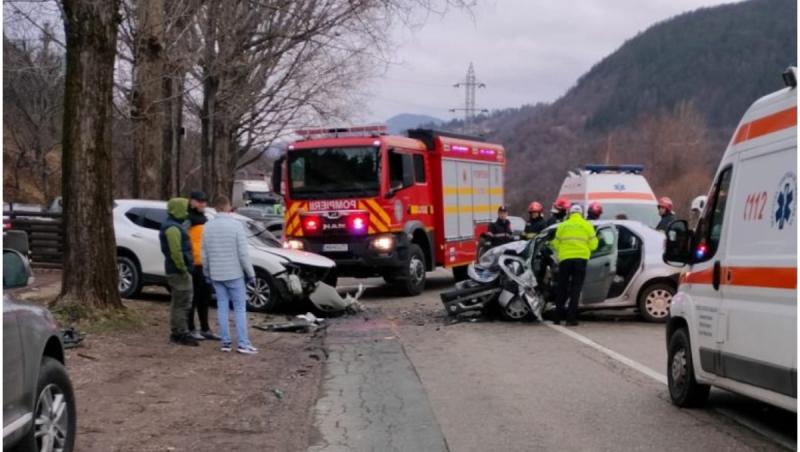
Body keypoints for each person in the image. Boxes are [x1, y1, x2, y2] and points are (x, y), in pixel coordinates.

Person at [202, 195, 258, 355]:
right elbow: (243, 254)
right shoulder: (236, 226)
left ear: (215, 208)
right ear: (227, 207)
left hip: (217, 275)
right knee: (240, 308)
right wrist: (251, 273)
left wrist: (207, 272)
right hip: (234, 274)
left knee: (222, 307)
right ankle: (243, 343)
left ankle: (225, 342)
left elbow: (204, 254)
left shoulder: (208, 227)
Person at [159, 197, 198, 346]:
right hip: (178, 271)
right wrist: (183, 268)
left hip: (175, 270)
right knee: (183, 302)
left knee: (177, 302)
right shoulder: (173, 228)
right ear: (178, 209)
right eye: (185, 207)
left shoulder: (174, 225)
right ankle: (181, 333)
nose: (187, 211)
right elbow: (176, 252)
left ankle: (177, 331)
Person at [550, 204, 598, 326]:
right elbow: (594, 245)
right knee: (575, 289)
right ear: (581, 214)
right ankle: (571, 319)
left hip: (565, 260)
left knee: (562, 288)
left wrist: (564, 249)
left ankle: (557, 317)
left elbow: (555, 244)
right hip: (580, 260)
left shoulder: (563, 225)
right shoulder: (587, 225)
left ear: (569, 214)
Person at [187, 191, 219, 341]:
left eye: (204, 201)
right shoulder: (188, 219)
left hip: (205, 264)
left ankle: (205, 328)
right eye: (199, 201)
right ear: (192, 202)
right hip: (194, 264)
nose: (202, 204)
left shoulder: (205, 219)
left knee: (204, 298)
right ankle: (190, 328)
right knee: (192, 298)